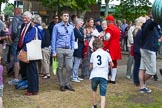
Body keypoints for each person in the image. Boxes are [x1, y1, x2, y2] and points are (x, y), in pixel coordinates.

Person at [51, 11, 75, 92]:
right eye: (64, 16)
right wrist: (53, 51)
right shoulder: (56, 26)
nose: (66, 17)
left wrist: (72, 49)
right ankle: (62, 84)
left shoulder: (71, 27)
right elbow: (53, 39)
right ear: (61, 17)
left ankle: (67, 83)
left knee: (70, 67)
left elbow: (73, 39)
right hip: (59, 49)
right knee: (60, 67)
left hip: (68, 49)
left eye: (67, 16)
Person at [138, 15, 161, 93]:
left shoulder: (150, 24)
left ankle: (142, 87)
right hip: (149, 50)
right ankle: (141, 83)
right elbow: (154, 22)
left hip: (146, 48)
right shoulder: (149, 23)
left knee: (142, 68)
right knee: (152, 72)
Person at [23, 14, 44, 96]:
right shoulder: (40, 28)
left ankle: (32, 89)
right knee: (34, 71)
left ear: (33, 21)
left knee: (31, 71)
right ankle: (35, 88)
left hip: (31, 52)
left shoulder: (34, 29)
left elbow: (27, 39)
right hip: (36, 51)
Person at [90, 38, 113, 108]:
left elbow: (91, 66)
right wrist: (109, 68)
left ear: (94, 47)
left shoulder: (93, 54)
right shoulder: (106, 54)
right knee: (103, 94)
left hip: (94, 75)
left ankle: (94, 105)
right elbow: (111, 64)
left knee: (94, 90)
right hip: (103, 75)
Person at [103, 15, 122, 84]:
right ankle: (113, 78)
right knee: (115, 62)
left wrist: (103, 46)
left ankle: (106, 77)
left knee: (107, 62)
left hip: (110, 47)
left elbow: (107, 38)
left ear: (108, 21)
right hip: (116, 47)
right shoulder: (117, 28)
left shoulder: (109, 28)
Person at [8, 8, 23, 85]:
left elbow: (14, 31)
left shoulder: (15, 19)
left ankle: (16, 78)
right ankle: (21, 77)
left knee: (15, 59)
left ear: (17, 12)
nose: (13, 12)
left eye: (14, 11)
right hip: (22, 41)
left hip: (16, 41)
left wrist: (12, 40)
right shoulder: (23, 19)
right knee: (20, 58)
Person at [132, 16, 146, 86]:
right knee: (140, 67)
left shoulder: (135, 30)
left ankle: (136, 80)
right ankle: (139, 80)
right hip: (140, 50)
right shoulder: (141, 31)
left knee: (136, 66)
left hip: (136, 50)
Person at [71, 18, 84, 83]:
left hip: (80, 47)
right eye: (80, 23)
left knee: (78, 63)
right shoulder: (75, 30)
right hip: (76, 48)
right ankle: (73, 76)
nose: (82, 24)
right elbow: (81, 37)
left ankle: (75, 75)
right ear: (77, 23)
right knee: (76, 63)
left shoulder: (80, 29)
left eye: (82, 23)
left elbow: (82, 37)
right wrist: (83, 37)